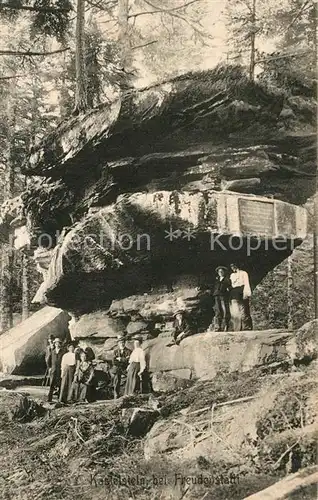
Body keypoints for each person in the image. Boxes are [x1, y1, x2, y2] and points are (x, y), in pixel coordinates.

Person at [229, 263, 253, 331]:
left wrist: (246, 293)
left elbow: (246, 283)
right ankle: (237, 328)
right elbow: (231, 284)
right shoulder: (232, 275)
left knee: (244, 310)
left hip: (241, 290)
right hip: (234, 292)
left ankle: (246, 327)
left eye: (234, 266)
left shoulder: (244, 273)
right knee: (235, 311)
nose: (233, 268)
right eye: (231, 267)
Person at [213, 266, 231, 332]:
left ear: (224, 272)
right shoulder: (216, 280)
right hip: (216, 296)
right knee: (218, 311)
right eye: (219, 271)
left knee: (225, 310)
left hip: (223, 296)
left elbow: (231, 286)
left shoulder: (227, 279)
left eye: (221, 271)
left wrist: (228, 289)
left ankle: (226, 326)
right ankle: (218, 327)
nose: (220, 273)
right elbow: (211, 286)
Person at [47, 337, 66, 402]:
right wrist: (49, 367)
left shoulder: (63, 352)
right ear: (54, 344)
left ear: (60, 344)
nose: (57, 344)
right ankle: (49, 398)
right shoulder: (52, 351)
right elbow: (48, 360)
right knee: (52, 384)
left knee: (60, 384)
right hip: (53, 370)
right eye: (56, 343)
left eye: (58, 343)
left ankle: (60, 398)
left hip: (60, 370)